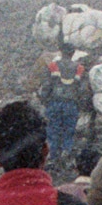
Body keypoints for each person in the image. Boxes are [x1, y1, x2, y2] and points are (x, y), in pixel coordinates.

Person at [37, 44, 87, 173]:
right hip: (71, 104)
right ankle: (67, 152)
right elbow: (82, 89)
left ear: (61, 52)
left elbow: (47, 85)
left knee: (53, 130)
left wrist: (44, 99)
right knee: (69, 130)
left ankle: (54, 156)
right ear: (73, 53)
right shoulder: (79, 68)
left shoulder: (53, 66)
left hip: (55, 103)